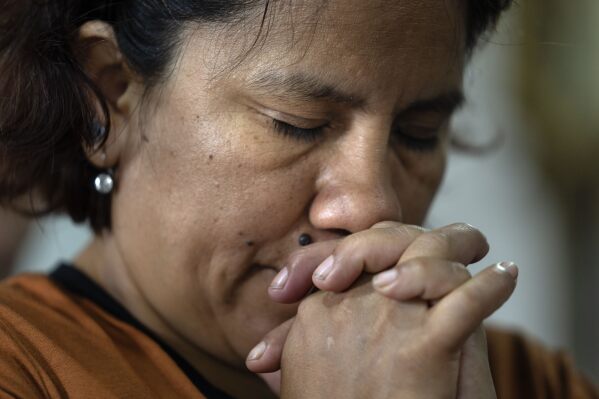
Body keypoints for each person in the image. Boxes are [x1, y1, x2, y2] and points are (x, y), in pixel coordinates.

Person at [0, 0, 596, 398]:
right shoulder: (27, 370)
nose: (370, 207)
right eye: (298, 124)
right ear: (111, 97)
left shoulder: (509, 378)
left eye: (418, 134)